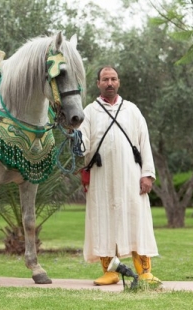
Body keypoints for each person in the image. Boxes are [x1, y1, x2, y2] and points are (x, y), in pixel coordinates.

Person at [78, 66, 161, 286]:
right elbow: (83, 144)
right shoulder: (89, 112)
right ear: (98, 84)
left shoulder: (132, 110)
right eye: (105, 79)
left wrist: (148, 175)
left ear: (119, 82)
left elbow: (144, 143)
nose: (109, 83)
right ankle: (110, 272)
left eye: (113, 79)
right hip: (101, 178)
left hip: (131, 178)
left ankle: (144, 271)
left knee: (136, 220)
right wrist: (74, 140)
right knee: (103, 221)